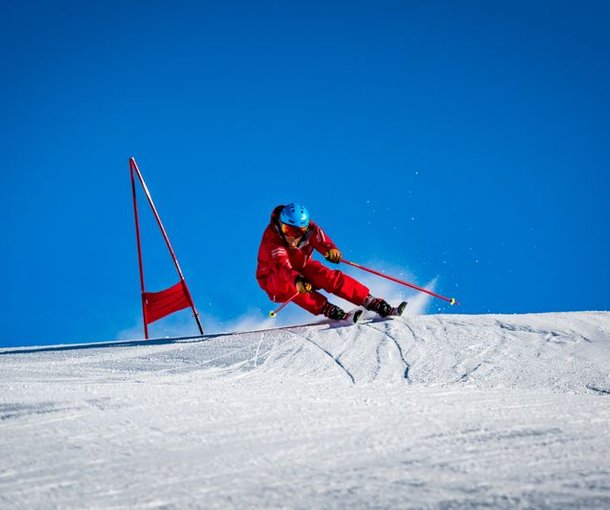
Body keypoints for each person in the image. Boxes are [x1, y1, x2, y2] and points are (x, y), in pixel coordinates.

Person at [256, 203, 400, 320]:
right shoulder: (272, 238)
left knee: (327, 275)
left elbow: (322, 242)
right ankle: (326, 308)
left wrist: (331, 250)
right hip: (273, 278)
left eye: (298, 232)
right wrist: (296, 280)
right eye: (288, 230)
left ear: (305, 229)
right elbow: (281, 267)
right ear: (280, 225)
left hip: (302, 267)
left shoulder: (311, 230)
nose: (292, 237)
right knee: (292, 286)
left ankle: (370, 301)